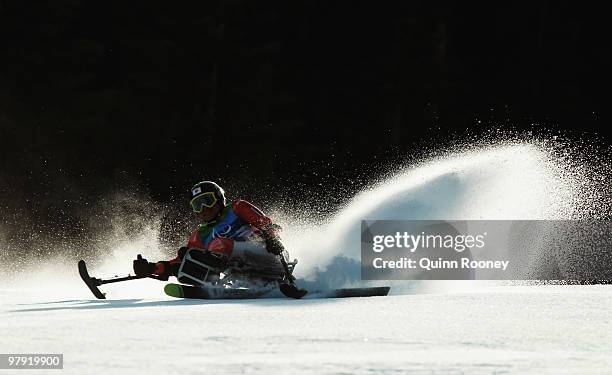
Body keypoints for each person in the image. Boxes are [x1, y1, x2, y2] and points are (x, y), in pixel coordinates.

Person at [133, 181, 286, 281]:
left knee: (218, 243)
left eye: (207, 201)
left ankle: (209, 273)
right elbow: (184, 259)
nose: (203, 209)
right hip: (240, 267)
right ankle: (203, 277)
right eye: (197, 205)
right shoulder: (200, 234)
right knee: (187, 254)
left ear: (219, 199)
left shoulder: (236, 208)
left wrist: (273, 239)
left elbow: (265, 223)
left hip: (266, 252)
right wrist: (153, 268)